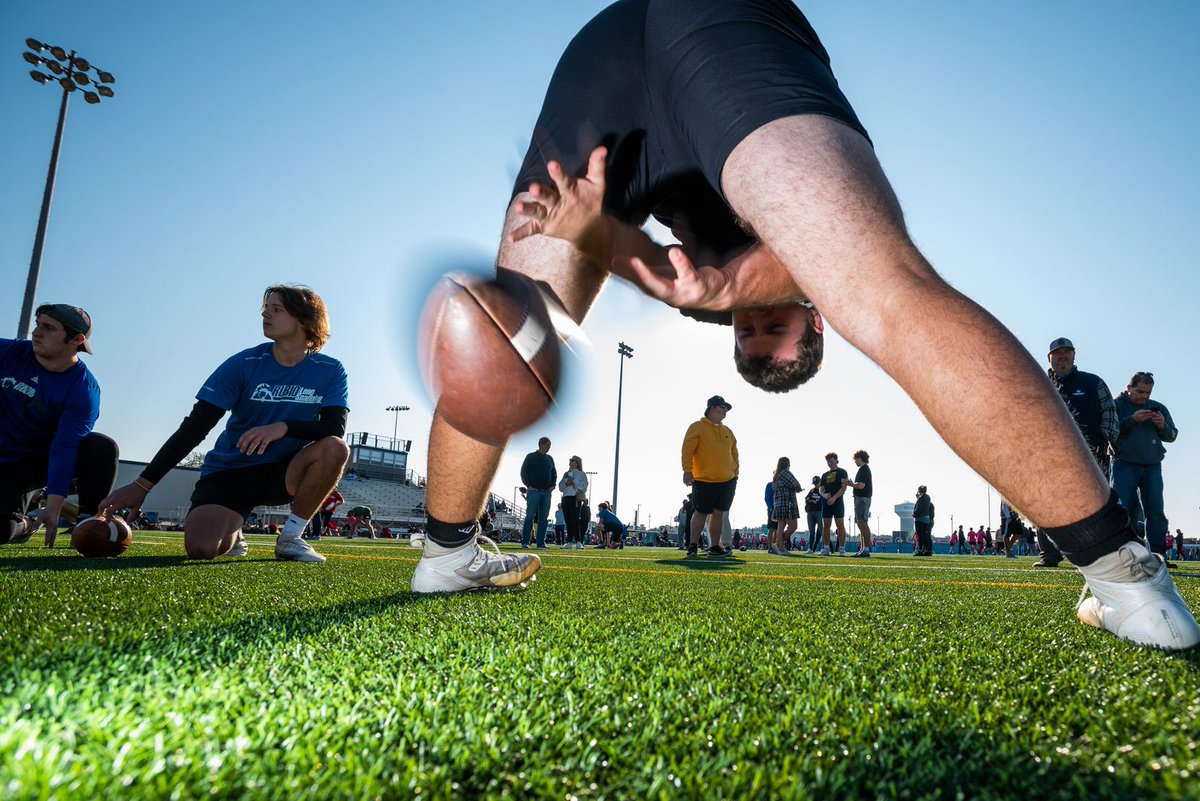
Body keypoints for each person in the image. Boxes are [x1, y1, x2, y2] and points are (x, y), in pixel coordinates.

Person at [424, 0, 1197, 648]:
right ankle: (1126, 575)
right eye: (774, 333)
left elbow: (654, 262)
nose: (752, 324)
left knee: (506, 339)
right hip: (718, 33)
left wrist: (602, 234)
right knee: (882, 282)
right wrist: (706, 275)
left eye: (745, 336)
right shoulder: (772, 278)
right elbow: (798, 262)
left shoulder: (712, 295)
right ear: (815, 323)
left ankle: (445, 549)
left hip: (609, 63)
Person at [100, 285, 349, 563]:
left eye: (276, 309)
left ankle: (291, 537)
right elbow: (195, 427)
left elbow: (334, 427)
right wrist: (143, 485)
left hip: (283, 470)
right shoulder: (243, 363)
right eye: (266, 308)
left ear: (304, 319)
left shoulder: (330, 369)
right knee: (201, 550)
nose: (265, 313)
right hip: (232, 471)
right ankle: (234, 529)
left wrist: (284, 427)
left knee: (335, 448)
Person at [1, 304, 118, 547]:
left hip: (30, 465)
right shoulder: (11, 351)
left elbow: (65, 447)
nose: (36, 332)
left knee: (100, 447)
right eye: (38, 324)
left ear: (76, 339)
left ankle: (88, 523)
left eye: (48, 327)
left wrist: (53, 506)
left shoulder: (83, 390)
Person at [1033, 337, 1119, 567]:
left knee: (1093, 508)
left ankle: (1096, 556)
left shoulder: (1093, 382)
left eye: (1066, 352)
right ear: (1049, 358)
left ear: (1074, 355)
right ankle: (1049, 555)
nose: (1062, 356)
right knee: (1045, 505)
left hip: (1090, 455)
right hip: (1048, 455)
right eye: (1057, 353)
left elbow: (1110, 413)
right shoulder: (1037, 382)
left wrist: (1104, 442)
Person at [1112, 372, 1177, 564]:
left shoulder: (1158, 407)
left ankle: (1158, 555)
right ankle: (1118, 555)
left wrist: (1163, 426)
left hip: (1152, 465)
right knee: (1121, 509)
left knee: (1156, 510)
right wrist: (1132, 420)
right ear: (1129, 388)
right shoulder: (1116, 405)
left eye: (1148, 393)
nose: (1144, 396)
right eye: (1140, 391)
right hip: (1124, 463)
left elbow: (1172, 436)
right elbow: (1108, 431)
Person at [680, 395, 738, 558]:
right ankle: (692, 545)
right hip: (704, 479)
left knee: (719, 514)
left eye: (726, 408)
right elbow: (687, 449)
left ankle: (714, 546)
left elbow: (734, 453)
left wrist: (736, 473)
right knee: (700, 513)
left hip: (727, 480)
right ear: (711, 408)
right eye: (722, 407)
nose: (725, 410)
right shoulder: (697, 427)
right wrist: (687, 470)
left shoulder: (728, 431)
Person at [519, 436, 556, 551]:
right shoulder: (530, 457)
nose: (549, 448)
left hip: (546, 492)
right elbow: (523, 472)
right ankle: (525, 542)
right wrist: (529, 486)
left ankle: (541, 543)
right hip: (534, 492)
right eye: (547, 445)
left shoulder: (550, 458)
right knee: (530, 517)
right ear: (541, 444)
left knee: (544, 518)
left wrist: (553, 486)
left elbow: (554, 473)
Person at [818, 453, 848, 556]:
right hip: (826, 502)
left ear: (836, 460)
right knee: (826, 525)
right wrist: (824, 495)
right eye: (828, 461)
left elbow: (844, 488)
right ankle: (826, 548)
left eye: (831, 461)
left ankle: (842, 549)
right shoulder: (824, 475)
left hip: (838, 502)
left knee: (840, 525)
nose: (830, 463)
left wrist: (834, 498)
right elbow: (821, 488)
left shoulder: (842, 472)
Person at [770, 456, 801, 556]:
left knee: (781, 525)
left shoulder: (776, 474)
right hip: (787, 503)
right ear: (787, 464)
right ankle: (779, 544)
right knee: (793, 526)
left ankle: (780, 547)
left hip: (778, 503)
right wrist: (798, 489)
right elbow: (796, 484)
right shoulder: (785, 473)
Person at [559, 454, 589, 550]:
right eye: (570, 461)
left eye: (572, 460)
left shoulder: (582, 474)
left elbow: (584, 487)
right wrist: (566, 483)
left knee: (575, 521)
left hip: (575, 498)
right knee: (568, 521)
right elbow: (560, 487)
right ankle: (568, 542)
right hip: (565, 498)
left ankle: (579, 542)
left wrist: (574, 481)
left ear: (577, 463)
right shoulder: (566, 473)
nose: (570, 462)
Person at [846, 449, 873, 558]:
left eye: (856, 459)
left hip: (862, 498)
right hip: (860, 498)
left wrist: (850, 483)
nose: (855, 461)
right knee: (861, 524)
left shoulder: (864, 469)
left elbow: (861, 485)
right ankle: (863, 549)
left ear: (860, 458)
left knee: (863, 523)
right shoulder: (863, 469)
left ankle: (866, 549)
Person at [913, 486, 934, 556]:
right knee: (925, 535)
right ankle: (927, 550)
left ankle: (920, 550)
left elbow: (918, 508)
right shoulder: (928, 497)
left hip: (919, 518)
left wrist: (914, 514)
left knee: (920, 535)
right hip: (926, 518)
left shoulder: (920, 499)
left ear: (919, 491)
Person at [803, 476, 822, 553]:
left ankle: (827, 547)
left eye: (817, 483)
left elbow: (820, 501)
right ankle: (810, 548)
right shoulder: (811, 491)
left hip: (819, 512)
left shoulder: (822, 490)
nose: (815, 485)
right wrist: (812, 501)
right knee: (811, 532)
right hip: (810, 512)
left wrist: (812, 501)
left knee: (822, 531)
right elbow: (806, 499)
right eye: (814, 483)